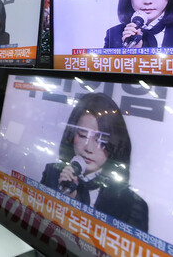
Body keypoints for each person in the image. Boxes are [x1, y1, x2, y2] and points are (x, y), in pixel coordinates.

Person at [40, 93, 149, 232]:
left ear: (115, 145)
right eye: (82, 135)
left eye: (100, 140)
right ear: (72, 134)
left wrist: (75, 204)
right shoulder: (52, 172)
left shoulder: (133, 204)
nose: (88, 148)